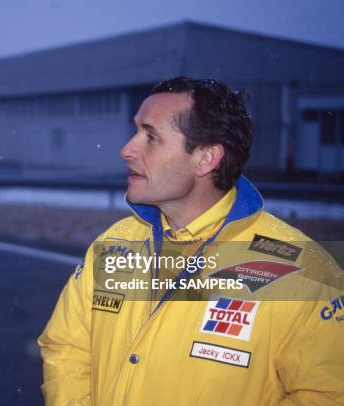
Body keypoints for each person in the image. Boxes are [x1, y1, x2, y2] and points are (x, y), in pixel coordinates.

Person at [38, 77, 344, 405]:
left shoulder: (301, 271)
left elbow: (327, 395)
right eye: (136, 130)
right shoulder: (114, 245)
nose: (127, 149)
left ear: (206, 158)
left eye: (150, 136)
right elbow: (66, 349)